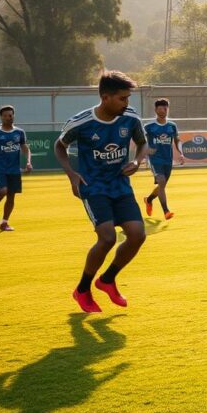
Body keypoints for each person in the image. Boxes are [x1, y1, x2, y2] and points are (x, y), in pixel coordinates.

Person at [54, 71, 149, 313]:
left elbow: (142, 144)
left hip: (120, 186)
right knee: (107, 237)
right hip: (93, 186)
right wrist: (71, 175)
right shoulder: (82, 122)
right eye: (122, 99)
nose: (127, 103)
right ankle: (83, 289)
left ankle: (107, 280)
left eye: (128, 98)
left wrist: (137, 162)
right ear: (105, 98)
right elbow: (60, 145)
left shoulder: (130, 118)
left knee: (137, 235)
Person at [0, 105, 32, 231]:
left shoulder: (19, 132)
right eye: (5, 116)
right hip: (0, 169)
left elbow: (25, 148)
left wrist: (28, 161)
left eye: (10, 115)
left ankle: (4, 223)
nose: (8, 117)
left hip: (14, 170)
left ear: (13, 116)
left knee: (11, 196)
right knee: (2, 191)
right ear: (1, 117)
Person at [143, 98, 185, 220]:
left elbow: (177, 140)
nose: (163, 110)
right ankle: (166, 211)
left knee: (162, 185)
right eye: (160, 108)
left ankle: (149, 199)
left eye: (165, 108)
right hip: (155, 159)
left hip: (168, 160)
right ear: (155, 110)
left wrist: (181, 153)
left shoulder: (172, 126)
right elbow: (140, 141)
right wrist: (146, 149)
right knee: (161, 181)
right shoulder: (149, 126)